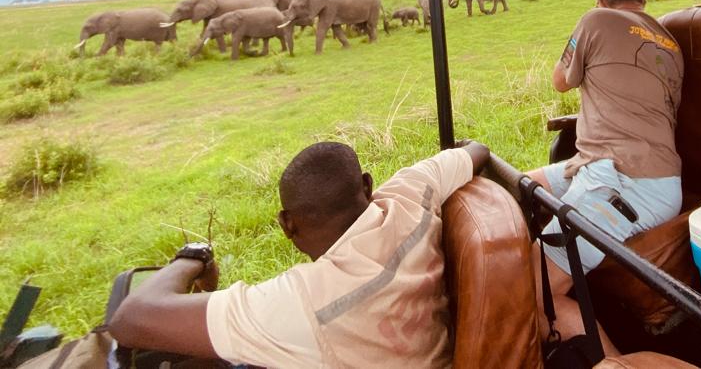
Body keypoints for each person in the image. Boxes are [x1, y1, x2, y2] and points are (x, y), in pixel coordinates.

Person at [109, 139, 490, 368]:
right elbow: (477, 151)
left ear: (287, 224)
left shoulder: (306, 302)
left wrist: (193, 256)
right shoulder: (411, 194)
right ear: (368, 184)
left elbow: (131, 319)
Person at [526, 0, 683, 355]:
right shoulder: (669, 41)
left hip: (628, 180)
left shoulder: (595, 20)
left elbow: (560, 81)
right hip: (601, 162)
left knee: (534, 295)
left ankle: (616, 363)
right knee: (517, 187)